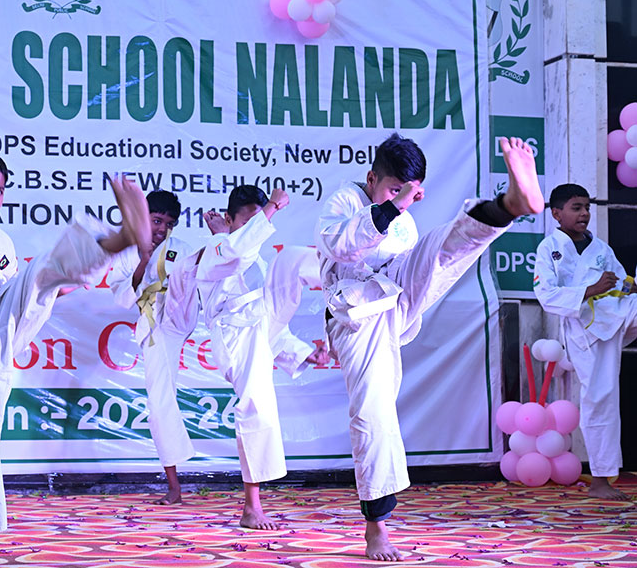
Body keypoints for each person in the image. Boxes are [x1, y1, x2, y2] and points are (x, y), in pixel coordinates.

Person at [0, 150, 150, 566]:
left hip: (1, 322)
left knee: (41, 270)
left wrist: (60, 281)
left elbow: (26, 289)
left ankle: (120, 241)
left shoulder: (1, 238)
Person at [314, 134, 544, 561]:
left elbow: (414, 265)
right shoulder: (343, 202)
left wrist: (397, 209)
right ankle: (377, 526)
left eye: (409, 191)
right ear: (372, 178)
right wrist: (392, 207)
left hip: (396, 301)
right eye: (392, 189)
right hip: (357, 314)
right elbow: (339, 246)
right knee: (373, 411)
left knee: (441, 248)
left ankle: (508, 207)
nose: (402, 199)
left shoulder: (403, 219)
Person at [181, 184, 327, 530]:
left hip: (256, 327)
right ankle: (251, 506)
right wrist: (271, 208)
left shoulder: (251, 256)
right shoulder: (216, 247)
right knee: (257, 410)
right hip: (234, 335)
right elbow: (235, 250)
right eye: (248, 222)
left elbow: (267, 317)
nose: (256, 228)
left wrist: (303, 353)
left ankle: (348, 274)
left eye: (259, 221)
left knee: (292, 258)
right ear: (229, 219)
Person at [533, 183, 636, 501]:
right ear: (556, 213)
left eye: (587, 208)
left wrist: (628, 286)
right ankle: (601, 480)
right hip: (585, 332)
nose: (584, 214)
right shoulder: (549, 249)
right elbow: (546, 295)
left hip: (616, 315)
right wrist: (591, 289)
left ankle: (603, 478)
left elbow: (620, 282)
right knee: (601, 399)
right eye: (576, 208)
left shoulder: (600, 248)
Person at [107, 190, 197, 505]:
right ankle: (174, 483)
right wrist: (144, 261)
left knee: (161, 401)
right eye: (156, 221)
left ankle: (175, 485)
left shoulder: (183, 250)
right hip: (153, 329)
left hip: (177, 322)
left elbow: (199, 284)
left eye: (168, 224)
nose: (161, 229)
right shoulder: (127, 252)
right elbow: (121, 297)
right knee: (160, 403)